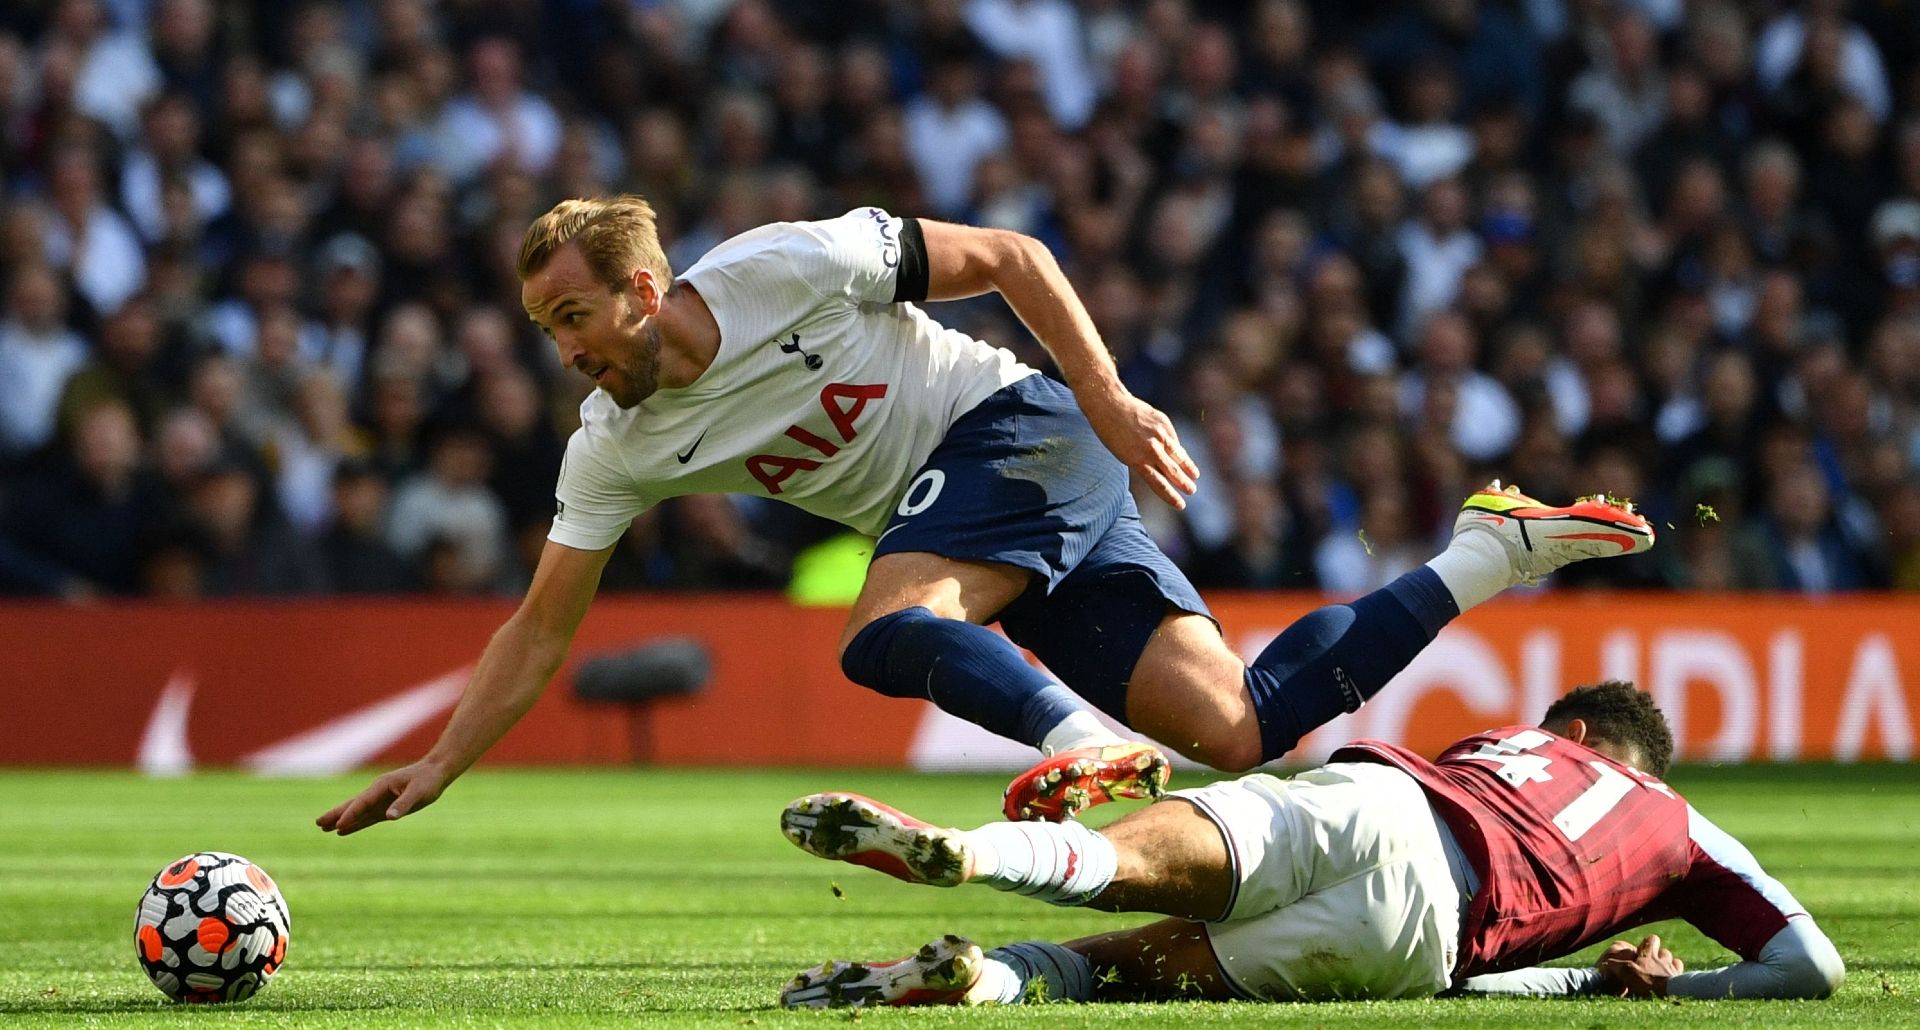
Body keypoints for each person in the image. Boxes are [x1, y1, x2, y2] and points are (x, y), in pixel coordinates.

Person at [318, 195, 1654, 837]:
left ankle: (1078, 745)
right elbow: (541, 626)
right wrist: (442, 763)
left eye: (570, 317)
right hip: (990, 517)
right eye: (545, 327)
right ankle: (1489, 552)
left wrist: (1114, 396)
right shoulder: (613, 444)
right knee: (1241, 731)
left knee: (886, 626)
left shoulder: (791, 264)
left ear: (644, 287)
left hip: (1016, 431)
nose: (562, 352)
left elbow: (1012, 259)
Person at [777, 680, 1845, 1007]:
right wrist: (1666, 991)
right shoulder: (1685, 833)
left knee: (1123, 864)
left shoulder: (1516, 742)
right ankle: (979, 986)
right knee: (1116, 978)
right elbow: (1812, 968)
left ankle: (971, 852)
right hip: (1421, 939)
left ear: (1570, 736)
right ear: (1646, 769)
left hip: (1388, 803)